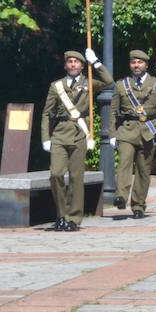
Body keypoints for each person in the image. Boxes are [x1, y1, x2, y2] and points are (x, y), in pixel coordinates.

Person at [41, 48, 112, 232]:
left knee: (76, 178)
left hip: (80, 134)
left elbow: (108, 81)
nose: (73, 64)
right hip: (59, 134)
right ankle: (61, 214)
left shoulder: (89, 83)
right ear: (65, 65)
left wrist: (95, 63)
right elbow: (47, 113)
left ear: (82, 65)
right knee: (55, 174)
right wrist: (45, 137)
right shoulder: (56, 86)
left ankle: (74, 218)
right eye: (70, 62)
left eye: (76, 62)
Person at [111, 49, 156, 219]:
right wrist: (112, 134)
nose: (136, 65)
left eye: (140, 62)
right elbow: (113, 111)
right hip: (127, 128)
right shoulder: (121, 84)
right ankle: (121, 196)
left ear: (146, 65)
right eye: (133, 62)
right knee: (124, 163)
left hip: (149, 130)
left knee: (143, 170)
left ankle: (138, 204)